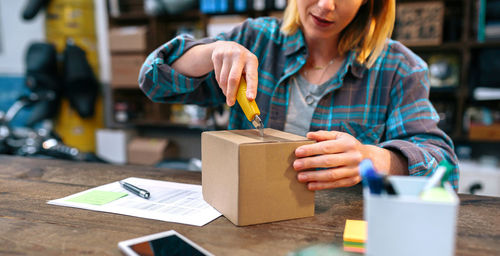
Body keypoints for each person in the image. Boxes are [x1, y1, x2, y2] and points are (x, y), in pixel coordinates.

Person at [138, 0, 459, 190]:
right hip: (245, 214)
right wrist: (208, 54)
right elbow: (153, 80)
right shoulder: (255, 38)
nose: (325, 6)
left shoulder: (397, 68)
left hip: (339, 232)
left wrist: (376, 158)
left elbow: (444, 168)